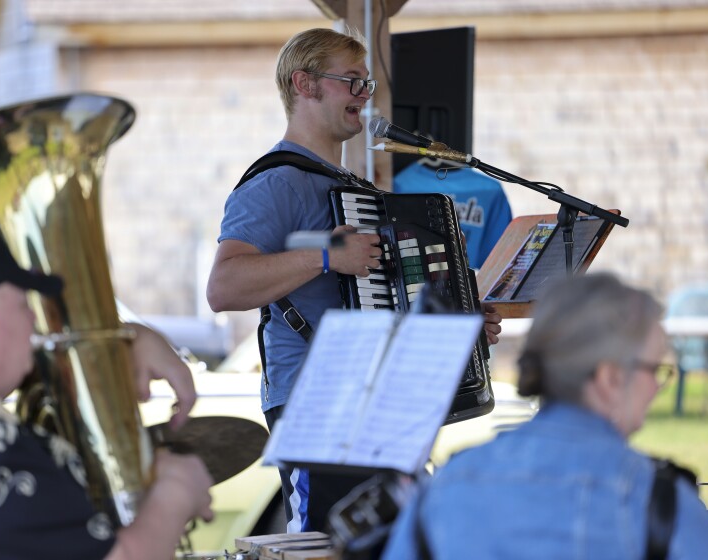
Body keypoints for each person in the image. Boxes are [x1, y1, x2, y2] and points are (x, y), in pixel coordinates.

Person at [207, 27, 502, 533]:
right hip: (315, 404)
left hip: (380, 401)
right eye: (352, 82)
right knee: (326, 547)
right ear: (304, 84)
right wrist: (325, 257)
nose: (365, 97)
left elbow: (389, 302)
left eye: (368, 85)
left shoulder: (354, 189)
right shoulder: (274, 182)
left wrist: (458, 320)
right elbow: (224, 287)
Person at [0, 218, 213, 559]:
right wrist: (175, 493)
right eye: (23, 306)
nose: (32, 321)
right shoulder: (3, 466)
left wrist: (124, 338)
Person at [381, 273, 708, 559]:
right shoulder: (659, 502)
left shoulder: (445, 486)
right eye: (654, 369)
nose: (657, 386)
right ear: (610, 378)